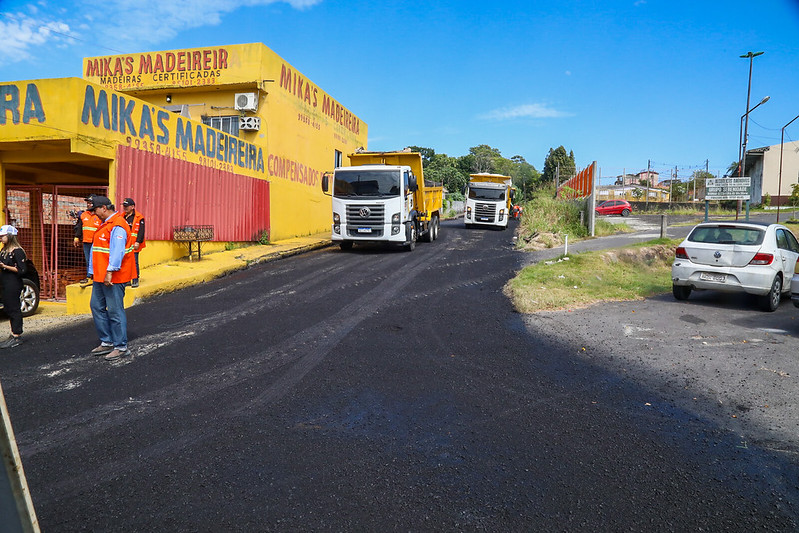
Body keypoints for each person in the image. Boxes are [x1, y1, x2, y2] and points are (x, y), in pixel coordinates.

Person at [87, 196, 136, 361]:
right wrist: (93, 272)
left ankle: (121, 346)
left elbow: (117, 252)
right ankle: (107, 341)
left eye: (95, 210)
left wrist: (109, 272)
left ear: (103, 208)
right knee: (96, 306)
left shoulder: (118, 225)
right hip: (100, 276)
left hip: (113, 277)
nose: (94, 214)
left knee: (115, 310)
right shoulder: (105, 225)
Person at [0, 225, 28, 348]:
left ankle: (17, 335)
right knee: (8, 307)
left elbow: (22, 270)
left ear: (10, 236)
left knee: (14, 308)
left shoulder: (17, 251)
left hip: (13, 282)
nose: (1, 238)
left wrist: (5, 266)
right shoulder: (4, 250)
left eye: (3, 236)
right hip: (5, 282)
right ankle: (13, 333)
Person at [74, 195, 102, 287]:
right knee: (88, 260)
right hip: (86, 242)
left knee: (96, 260)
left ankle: (97, 277)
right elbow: (79, 227)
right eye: (87, 203)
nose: (88, 205)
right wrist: (77, 237)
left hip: (97, 243)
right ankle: (89, 277)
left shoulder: (99, 215)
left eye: (90, 203)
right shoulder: (84, 215)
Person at [122, 198, 145, 288]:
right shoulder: (122, 217)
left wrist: (138, 242)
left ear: (132, 207)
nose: (125, 208)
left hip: (134, 243)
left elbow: (141, 231)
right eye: (124, 206)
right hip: (125, 244)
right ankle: (127, 280)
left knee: (134, 262)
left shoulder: (139, 217)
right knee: (125, 262)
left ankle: (135, 279)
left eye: (127, 206)